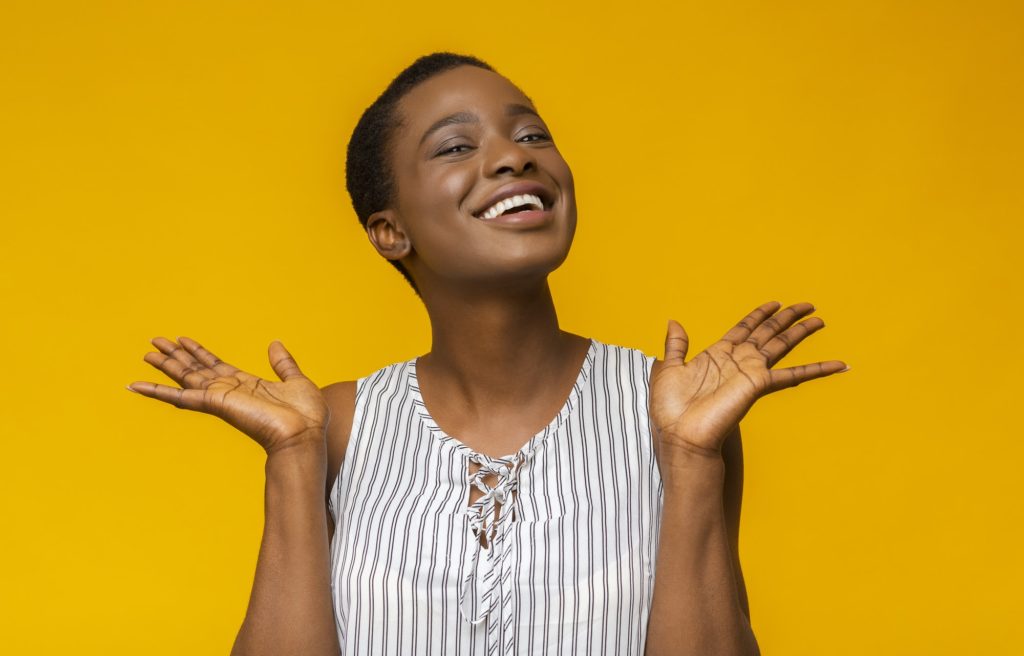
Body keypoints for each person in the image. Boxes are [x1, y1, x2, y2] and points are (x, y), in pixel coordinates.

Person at [127, 52, 848, 655]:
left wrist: (691, 460)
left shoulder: (677, 410)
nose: (513, 156)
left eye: (532, 134)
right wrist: (292, 459)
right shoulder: (335, 425)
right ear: (390, 232)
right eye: (456, 146)